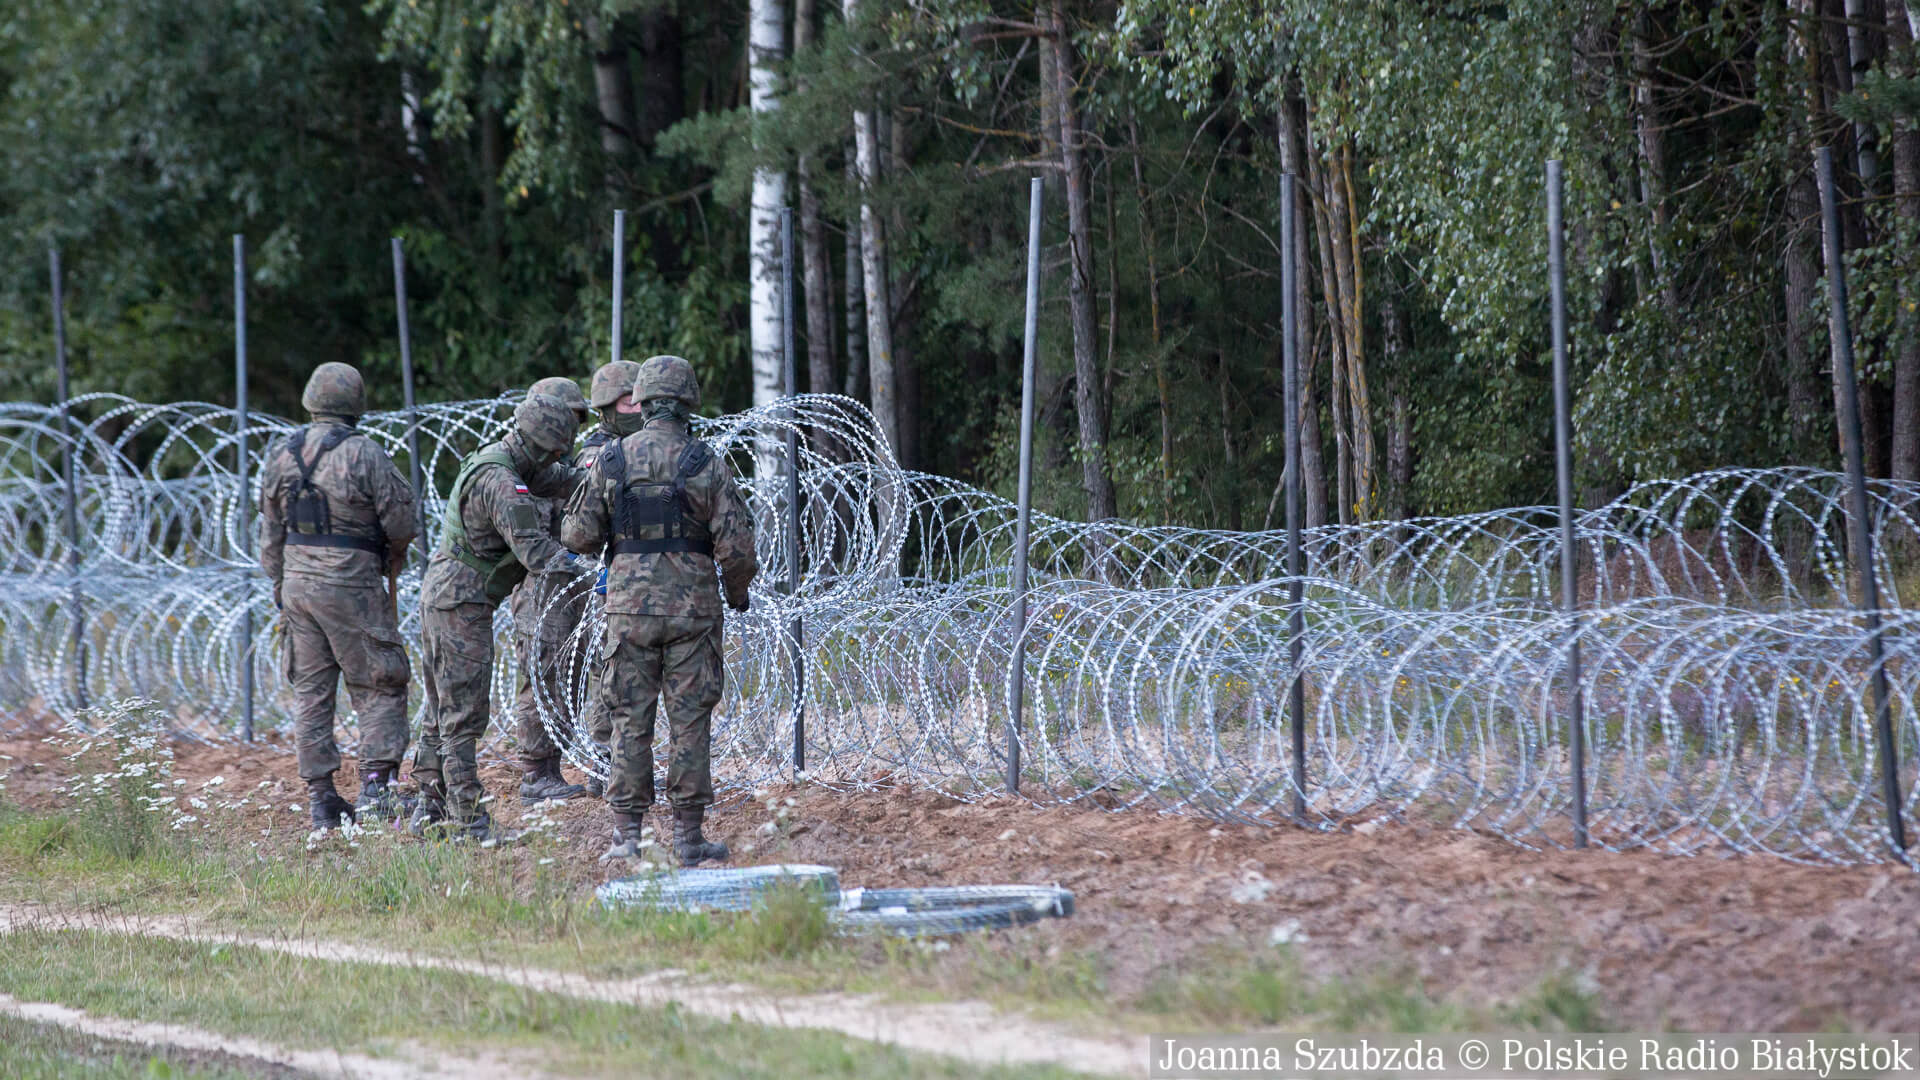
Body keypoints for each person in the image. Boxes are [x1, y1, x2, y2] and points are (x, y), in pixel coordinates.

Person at [561, 355, 757, 865]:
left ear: (643, 401)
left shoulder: (611, 460)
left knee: (629, 718)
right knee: (690, 721)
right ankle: (689, 839)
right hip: (693, 611)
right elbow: (737, 549)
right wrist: (736, 595)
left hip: (628, 611)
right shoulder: (705, 462)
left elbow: (577, 536)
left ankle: (627, 836)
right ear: (688, 401)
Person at [411, 392, 586, 841]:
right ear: (536, 443)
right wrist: (598, 573)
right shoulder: (501, 481)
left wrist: (592, 473)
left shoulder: (511, 461)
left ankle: (428, 810)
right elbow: (536, 552)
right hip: (459, 603)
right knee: (462, 714)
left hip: (453, 596)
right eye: (552, 450)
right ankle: (469, 820)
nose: (555, 458)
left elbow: (558, 479)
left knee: (442, 708)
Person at [256, 362, 418, 828]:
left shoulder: (281, 455)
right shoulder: (364, 453)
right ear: (355, 406)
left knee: (311, 692)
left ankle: (323, 800)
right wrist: (393, 551)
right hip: (351, 582)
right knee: (380, 681)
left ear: (310, 402)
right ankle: (376, 788)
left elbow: (270, 534)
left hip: (297, 584)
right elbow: (402, 521)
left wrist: (280, 585)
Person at [507, 376, 593, 803]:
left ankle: (550, 768)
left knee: (569, 677)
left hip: (568, 582)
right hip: (544, 585)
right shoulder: (524, 471)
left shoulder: (556, 466)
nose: (573, 430)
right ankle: (535, 774)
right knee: (541, 678)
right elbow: (534, 540)